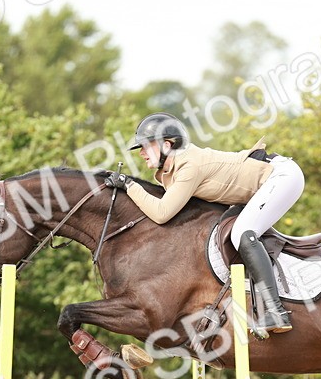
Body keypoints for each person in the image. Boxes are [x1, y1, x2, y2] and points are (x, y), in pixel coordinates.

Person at [104, 112, 304, 334]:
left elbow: (161, 213)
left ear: (167, 145)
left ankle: (276, 311)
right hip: (265, 184)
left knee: (242, 233)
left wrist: (128, 185)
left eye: (145, 146)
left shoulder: (189, 166)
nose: (141, 153)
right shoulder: (176, 166)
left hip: (282, 177)